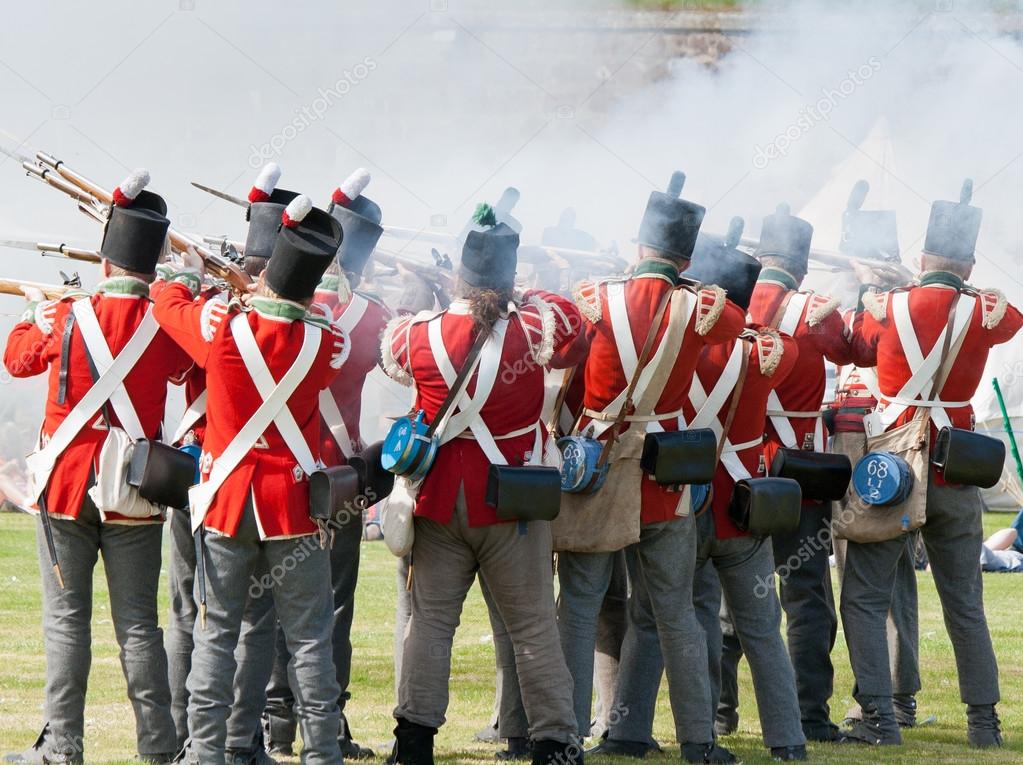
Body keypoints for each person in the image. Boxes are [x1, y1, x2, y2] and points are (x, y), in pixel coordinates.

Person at [381, 204, 583, 765]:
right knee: (534, 628)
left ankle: (414, 743)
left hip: (441, 500)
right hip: (513, 501)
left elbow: (392, 350)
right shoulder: (533, 327)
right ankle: (554, 743)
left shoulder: (420, 332)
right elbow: (574, 324)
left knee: (430, 626)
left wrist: (435, 295)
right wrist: (524, 291)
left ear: (458, 274)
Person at [2, 171, 190, 764]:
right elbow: (187, 372)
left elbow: (17, 360)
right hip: (135, 486)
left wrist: (34, 313)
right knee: (139, 627)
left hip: (65, 487)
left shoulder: (66, 315)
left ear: (105, 261)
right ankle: (158, 747)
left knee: (66, 622)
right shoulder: (168, 320)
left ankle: (63, 747)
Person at [154, 195, 349, 765]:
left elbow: (166, 305)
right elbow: (324, 320)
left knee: (216, 635)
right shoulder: (325, 342)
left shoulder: (221, 327)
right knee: (310, 642)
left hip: (229, 502)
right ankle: (323, 754)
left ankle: (206, 753)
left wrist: (187, 275)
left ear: (264, 278)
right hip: (293, 507)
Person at [558, 172, 745, 764]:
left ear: (638, 245)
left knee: (578, 609)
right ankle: (698, 742)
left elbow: (565, 361)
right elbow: (736, 322)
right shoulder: (702, 307)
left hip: (596, 470)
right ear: (687, 258)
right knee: (676, 615)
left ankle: (563, 738)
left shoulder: (594, 296)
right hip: (665, 477)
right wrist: (681, 282)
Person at [843, 180, 1023, 747]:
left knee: (864, 596)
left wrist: (881, 287)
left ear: (921, 258)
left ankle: (879, 717)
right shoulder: (985, 311)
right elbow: (1012, 318)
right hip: (955, 470)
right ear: (969, 265)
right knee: (965, 604)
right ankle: (984, 725)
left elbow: (854, 346)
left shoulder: (888, 305)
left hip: (893, 468)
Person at [163, 162, 299, 764]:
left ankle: (198, 741)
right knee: (250, 620)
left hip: (211, 478)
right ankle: (239, 742)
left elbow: (173, 360)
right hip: (249, 483)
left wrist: (185, 283)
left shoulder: (216, 313)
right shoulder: (293, 319)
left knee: (195, 614)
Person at [260, 169, 391, 761]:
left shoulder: (282, 307)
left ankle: (275, 721)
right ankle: (329, 724)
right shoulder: (372, 316)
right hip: (339, 480)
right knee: (333, 607)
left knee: (272, 601)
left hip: (284, 473)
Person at [719, 204, 853, 743]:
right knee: (806, 598)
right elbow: (854, 350)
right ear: (801, 265)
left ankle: (719, 713)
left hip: (740, 466)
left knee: (731, 596)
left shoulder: (727, 299)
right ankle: (809, 716)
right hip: (799, 472)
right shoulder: (816, 311)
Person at [828, 182, 922, 730]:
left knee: (874, 579)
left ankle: (888, 699)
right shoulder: (872, 303)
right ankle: (887, 693)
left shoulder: (891, 307)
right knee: (871, 575)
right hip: (858, 441)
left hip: (876, 442)